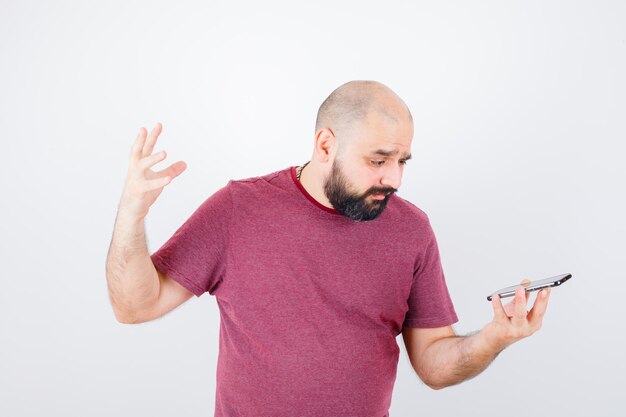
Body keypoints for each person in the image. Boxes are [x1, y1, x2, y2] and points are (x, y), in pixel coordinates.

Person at [106, 80, 551, 416]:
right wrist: (132, 215)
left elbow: (434, 365)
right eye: (378, 161)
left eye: (402, 162)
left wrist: (494, 338)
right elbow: (134, 306)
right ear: (325, 145)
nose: (394, 179)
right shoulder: (238, 209)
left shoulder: (412, 230)